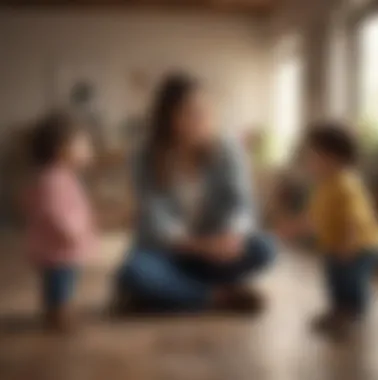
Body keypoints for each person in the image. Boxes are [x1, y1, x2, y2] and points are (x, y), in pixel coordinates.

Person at [113, 73, 276, 313]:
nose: (202, 118)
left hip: (215, 251)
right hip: (165, 252)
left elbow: (240, 203)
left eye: (205, 110)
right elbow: (154, 218)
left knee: (264, 247)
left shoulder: (228, 149)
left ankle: (171, 294)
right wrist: (199, 246)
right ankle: (218, 296)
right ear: (169, 117)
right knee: (135, 272)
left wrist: (231, 236)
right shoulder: (144, 156)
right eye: (191, 111)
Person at [278, 122, 378, 339]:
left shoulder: (346, 184)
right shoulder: (323, 186)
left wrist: (349, 245)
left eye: (312, 156)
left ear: (333, 158)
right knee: (334, 278)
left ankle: (353, 313)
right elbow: (314, 217)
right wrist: (292, 228)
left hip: (359, 246)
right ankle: (338, 311)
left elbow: (354, 218)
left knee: (351, 280)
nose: (308, 162)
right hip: (335, 246)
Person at [23, 112, 96, 332]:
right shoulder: (53, 179)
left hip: (61, 245)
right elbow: (54, 212)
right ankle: (59, 313)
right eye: (83, 145)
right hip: (58, 246)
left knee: (63, 280)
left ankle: (57, 310)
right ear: (61, 149)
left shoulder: (64, 176)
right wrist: (71, 232)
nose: (89, 151)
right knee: (60, 281)